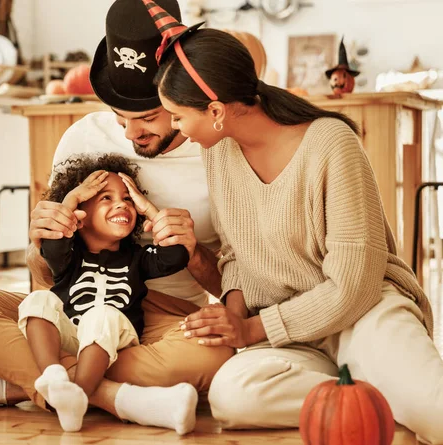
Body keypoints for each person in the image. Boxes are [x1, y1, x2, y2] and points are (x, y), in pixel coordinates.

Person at [0, 0, 233, 435]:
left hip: (166, 316)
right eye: (118, 116)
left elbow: (238, 288)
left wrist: (194, 252)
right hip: (70, 308)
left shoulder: (218, 153)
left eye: (146, 117)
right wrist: (41, 235)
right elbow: (47, 269)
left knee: (215, 354)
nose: (129, 134)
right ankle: (114, 397)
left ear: (180, 92)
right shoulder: (82, 138)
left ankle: (9, 387)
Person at [146, 5, 443, 443]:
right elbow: (236, 252)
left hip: (362, 315)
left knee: (435, 413)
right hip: (290, 334)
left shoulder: (331, 144)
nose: (175, 128)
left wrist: (251, 329)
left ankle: (380, 386)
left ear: (215, 110)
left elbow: (353, 285)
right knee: (234, 396)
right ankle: (368, 393)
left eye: (176, 115)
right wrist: (232, 313)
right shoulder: (219, 150)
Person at [19, 153, 193, 432]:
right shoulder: (68, 256)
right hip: (70, 335)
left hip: (115, 339)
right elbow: (51, 242)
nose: (122, 204)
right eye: (105, 198)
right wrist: (71, 199)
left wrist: (149, 209)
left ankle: (80, 394)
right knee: (38, 299)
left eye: (127, 198)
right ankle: (53, 375)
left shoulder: (137, 257)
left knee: (101, 315)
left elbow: (175, 256)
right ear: (80, 218)